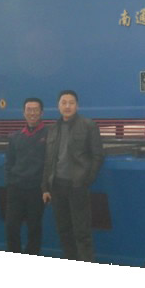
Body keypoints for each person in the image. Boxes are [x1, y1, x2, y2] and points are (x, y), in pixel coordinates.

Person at [42, 90, 104, 261]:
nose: (67, 106)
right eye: (64, 102)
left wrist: (87, 179)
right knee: (64, 231)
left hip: (77, 186)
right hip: (57, 186)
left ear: (77, 105)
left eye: (71, 103)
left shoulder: (88, 125)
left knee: (82, 232)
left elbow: (98, 155)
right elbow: (49, 159)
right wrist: (45, 187)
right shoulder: (53, 129)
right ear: (58, 106)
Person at [4, 97, 48, 255]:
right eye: (29, 110)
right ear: (24, 113)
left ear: (41, 113)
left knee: (34, 228)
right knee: (11, 226)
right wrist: (11, 182)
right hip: (16, 189)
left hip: (37, 190)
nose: (32, 113)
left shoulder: (50, 135)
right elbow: (9, 162)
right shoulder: (15, 137)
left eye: (35, 110)